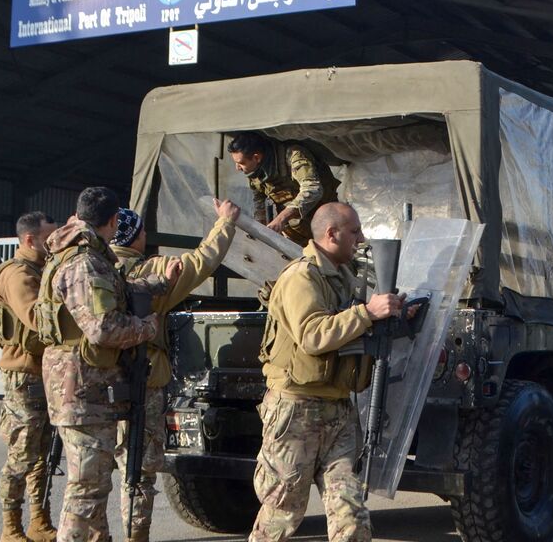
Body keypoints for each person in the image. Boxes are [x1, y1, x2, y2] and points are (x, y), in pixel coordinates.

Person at [249, 202, 405, 542]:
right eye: (355, 232)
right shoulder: (301, 277)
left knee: (351, 513)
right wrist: (366, 313)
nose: (361, 239)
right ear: (331, 234)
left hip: (338, 410)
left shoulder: (342, 276)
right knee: (281, 514)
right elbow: (312, 335)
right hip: (297, 412)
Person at [36, 187, 181, 542]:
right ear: (114, 221)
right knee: (86, 490)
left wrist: (160, 283)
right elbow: (103, 327)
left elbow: (117, 290)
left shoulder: (81, 255)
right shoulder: (85, 261)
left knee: (93, 483)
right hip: (84, 391)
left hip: (81, 387)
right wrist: (148, 327)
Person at [109, 199, 240, 542]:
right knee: (139, 470)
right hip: (144, 380)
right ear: (137, 237)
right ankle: (135, 536)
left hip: (101, 383)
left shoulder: (96, 271)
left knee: (97, 473)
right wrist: (225, 223)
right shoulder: (152, 271)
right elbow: (201, 262)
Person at [0, 211, 59, 542]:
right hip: (24, 377)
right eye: (49, 237)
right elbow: (36, 318)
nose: (55, 242)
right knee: (21, 456)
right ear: (30, 240)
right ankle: (11, 528)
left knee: (43, 455)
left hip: (43, 375)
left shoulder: (41, 270)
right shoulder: (18, 275)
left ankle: (39, 521)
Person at [228, 131, 340, 247]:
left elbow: (313, 189)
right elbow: (259, 205)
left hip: (326, 227)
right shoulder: (256, 173)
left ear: (257, 157)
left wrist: (281, 218)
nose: (237, 168)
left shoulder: (293, 155)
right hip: (297, 234)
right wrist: (260, 232)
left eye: (241, 163)